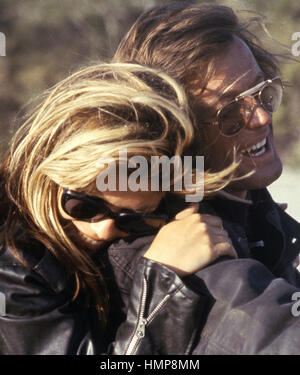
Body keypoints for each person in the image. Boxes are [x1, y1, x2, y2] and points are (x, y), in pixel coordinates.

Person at [0, 62, 237, 354]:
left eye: (133, 219)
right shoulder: (12, 271)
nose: (104, 229)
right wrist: (162, 280)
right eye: (83, 207)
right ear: (45, 172)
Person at [110, 2, 300, 354]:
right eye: (230, 112)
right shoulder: (171, 243)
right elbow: (272, 330)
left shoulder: (263, 216)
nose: (260, 118)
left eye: (261, 92)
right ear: (179, 133)